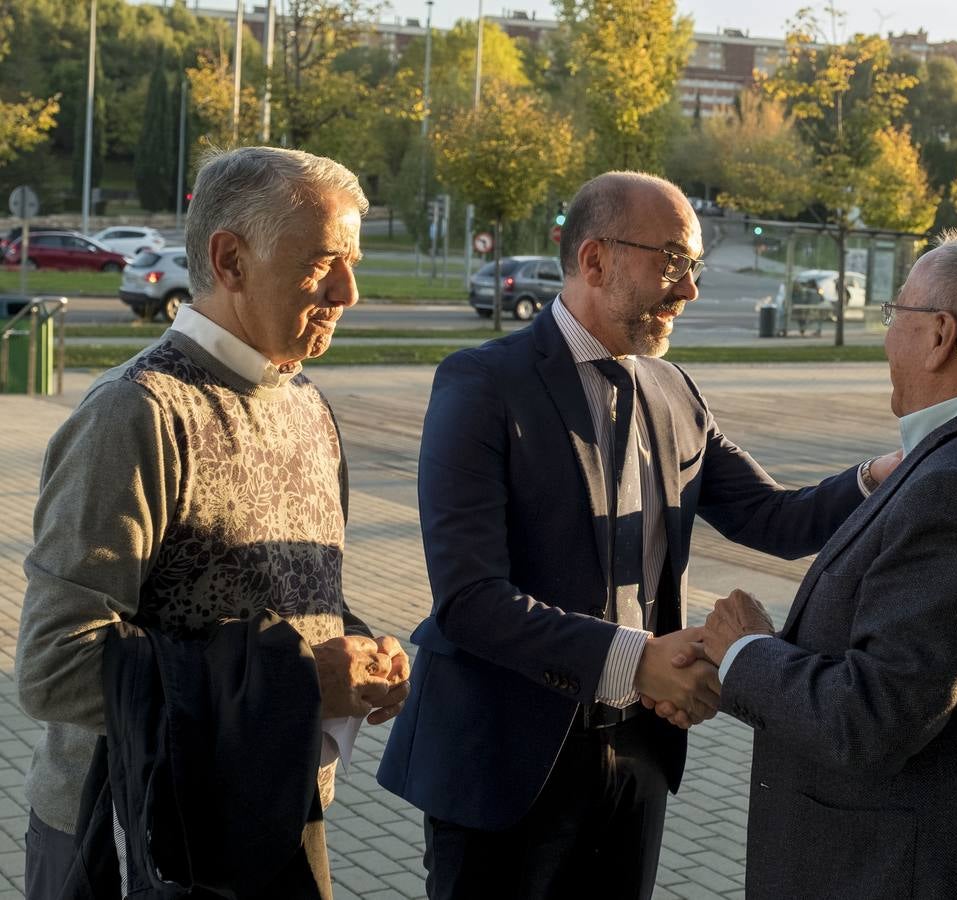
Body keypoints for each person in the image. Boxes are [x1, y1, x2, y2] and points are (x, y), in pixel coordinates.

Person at [377, 170, 899, 899]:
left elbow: (775, 519)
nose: (687, 291)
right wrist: (636, 659)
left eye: (693, 267)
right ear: (596, 260)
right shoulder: (481, 385)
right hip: (502, 764)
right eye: (673, 262)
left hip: (638, 757)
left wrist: (882, 477)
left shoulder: (673, 390)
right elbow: (469, 600)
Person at [15, 146, 410, 898]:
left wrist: (355, 655)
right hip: (133, 836)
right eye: (324, 259)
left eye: (352, 261)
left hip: (279, 810)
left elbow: (291, 599)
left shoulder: (307, 405)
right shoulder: (136, 414)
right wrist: (301, 681)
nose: (349, 290)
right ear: (230, 259)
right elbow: (52, 667)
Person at [701, 229, 957, 899]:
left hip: (916, 873)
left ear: (940, 335)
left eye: (897, 314)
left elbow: (867, 723)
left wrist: (742, 653)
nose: (887, 335)